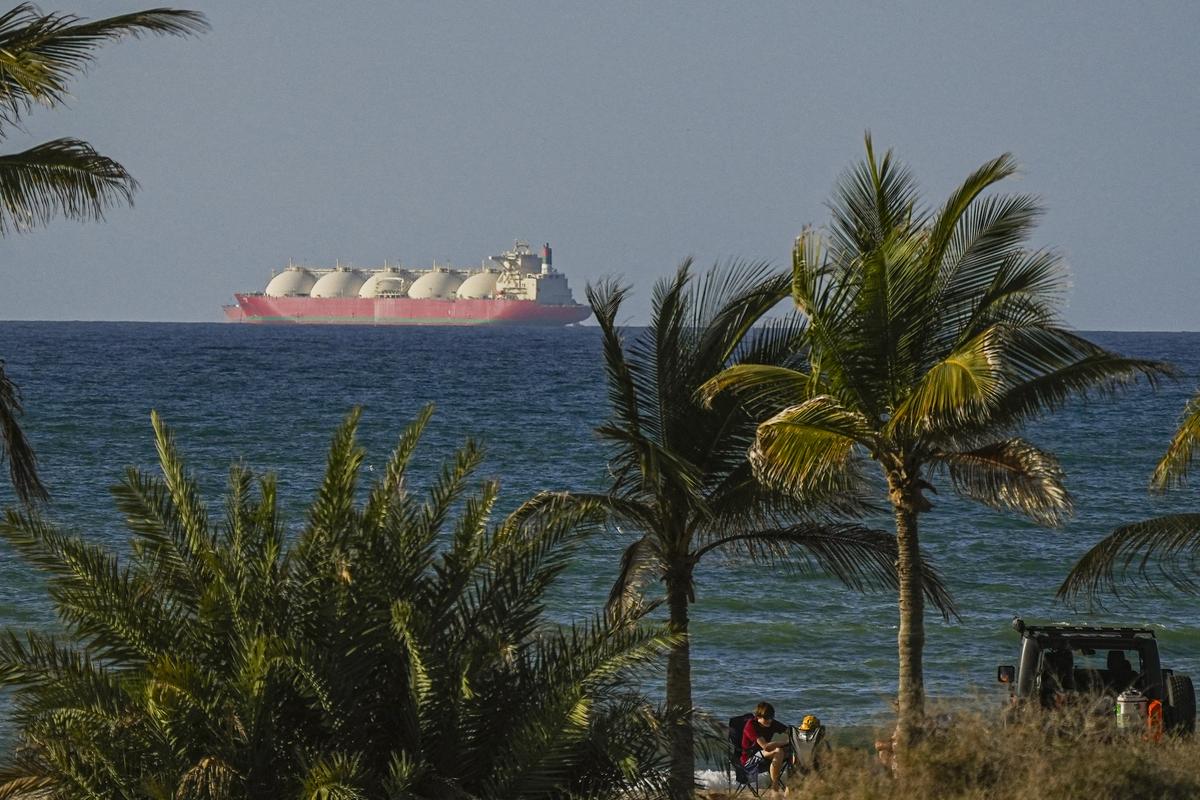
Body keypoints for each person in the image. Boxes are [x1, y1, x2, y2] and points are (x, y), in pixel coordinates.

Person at [741, 701, 790, 792]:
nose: (769, 720)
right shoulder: (751, 725)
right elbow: (765, 747)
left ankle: (792, 786)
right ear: (758, 716)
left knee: (793, 751)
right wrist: (786, 742)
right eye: (766, 718)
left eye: (771, 717)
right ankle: (775, 786)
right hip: (750, 760)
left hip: (765, 757)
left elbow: (790, 731)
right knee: (778, 751)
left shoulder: (771, 722)